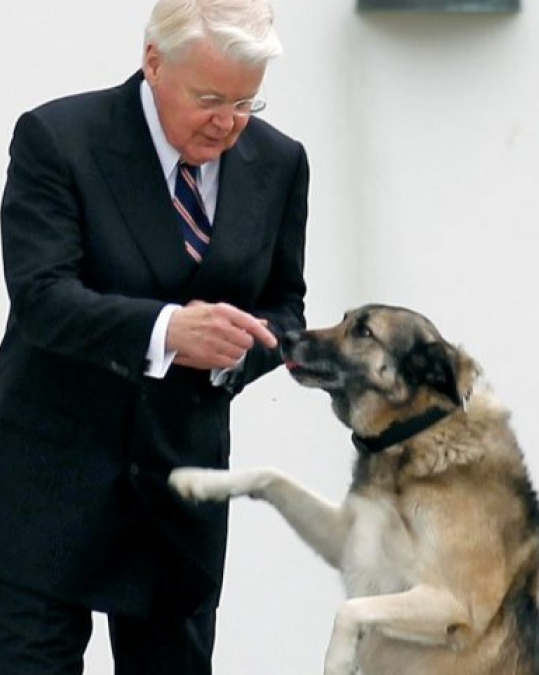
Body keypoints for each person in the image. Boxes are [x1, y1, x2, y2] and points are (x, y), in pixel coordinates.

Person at [0, 0, 308, 672]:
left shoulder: (280, 162)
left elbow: (286, 306)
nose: (228, 123)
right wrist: (169, 331)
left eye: (245, 103)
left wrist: (236, 352)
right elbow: (42, 297)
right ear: (152, 61)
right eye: (209, 98)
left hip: (181, 497)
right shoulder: (58, 137)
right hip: (50, 493)